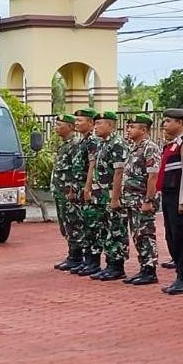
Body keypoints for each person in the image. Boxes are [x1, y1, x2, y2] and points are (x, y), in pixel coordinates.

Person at [117, 114, 161, 285]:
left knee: (146, 234)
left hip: (142, 199)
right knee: (137, 234)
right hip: (131, 199)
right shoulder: (133, 148)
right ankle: (143, 268)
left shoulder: (150, 148)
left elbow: (153, 176)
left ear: (143, 130)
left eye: (132, 127)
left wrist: (149, 200)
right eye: (128, 127)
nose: (128, 130)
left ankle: (150, 270)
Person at [158, 108, 183, 295]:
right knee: (171, 235)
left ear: (180, 123)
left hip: (179, 197)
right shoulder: (171, 144)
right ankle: (179, 275)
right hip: (168, 196)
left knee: (181, 236)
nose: (164, 124)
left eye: (168, 121)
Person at [89, 111, 130, 281]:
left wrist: (115, 197)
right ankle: (109, 264)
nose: (96, 127)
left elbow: (119, 172)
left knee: (116, 230)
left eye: (100, 123)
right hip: (101, 194)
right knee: (105, 230)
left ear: (111, 125)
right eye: (95, 123)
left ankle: (117, 266)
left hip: (112, 194)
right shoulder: (102, 143)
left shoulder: (117, 143)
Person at [69, 109, 103, 276]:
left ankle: (93, 262)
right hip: (79, 188)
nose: (76, 123)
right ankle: (86, 260)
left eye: (80, 120)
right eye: (75, 120)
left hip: (87, 190)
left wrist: (87, 188)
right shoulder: (82, 141)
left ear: (90, 123)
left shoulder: (92, 141)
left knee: (91, 226)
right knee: (83, 226)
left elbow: (92, 165)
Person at [51, 115, 82, 270]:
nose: (56, 127)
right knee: (65, 223)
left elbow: (76, 170)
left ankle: (76, 256)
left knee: (73, 223)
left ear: (70, 127)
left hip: (68, 191)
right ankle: (72, 254)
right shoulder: (64, 144)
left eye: (59, 125)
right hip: (59, 191)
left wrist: (73, 189)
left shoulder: (75, 145)